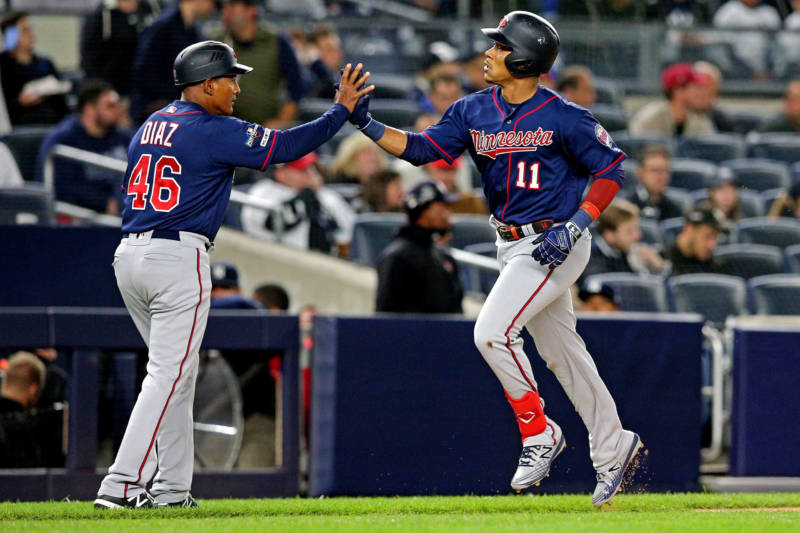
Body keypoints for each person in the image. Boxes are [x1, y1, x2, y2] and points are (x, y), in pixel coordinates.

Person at [349, 11, 642, 507]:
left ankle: (538, 432)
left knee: (490, 332)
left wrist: (578, 224)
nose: (488, 52)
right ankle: (613, 445)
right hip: (512, 243)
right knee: (563, 354)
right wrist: (366, 122)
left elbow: (612, 168)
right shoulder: (473, 110)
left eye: (500, 46)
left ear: (524, 56)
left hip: (555, 240)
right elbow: (422, 150)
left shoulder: (563, 115)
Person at [93, 41, 372, 510]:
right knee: (168, 374)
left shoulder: (152, 123)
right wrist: (339, 112)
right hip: (176, 255)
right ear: (205, 85)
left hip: (131, 254)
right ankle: (121, 483)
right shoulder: (211, 127)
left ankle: (172, 490)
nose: (237, 87)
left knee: (178, 374)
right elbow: (286, 147)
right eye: (230, 78)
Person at [36, 80, 132, 214]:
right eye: (110, 106)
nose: (118, 110)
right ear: (89, 110)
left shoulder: (122, 135)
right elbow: (64, 188)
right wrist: (105, 203)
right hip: (84, 216)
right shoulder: (63, 141)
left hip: (124, 206)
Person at [240, 152, 356, 256]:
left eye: (312, 168)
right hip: (274, 258)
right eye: (303, 170)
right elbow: (274, 223)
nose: (311, 174)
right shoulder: (263, 192)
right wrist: (309, 194)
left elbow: (349, 232)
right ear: (281, 174)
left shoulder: (326, 196)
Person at [213, 0, 306, 128]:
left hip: (265, 127)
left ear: (251, 10)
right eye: (224, 7)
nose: (226, 12)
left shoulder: (276, 41)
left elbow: (297, 89)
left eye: (232, 6)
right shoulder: (216, 42)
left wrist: (279, 123)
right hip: (224, 127)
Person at [375, 181, 463, 314]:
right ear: (426, 211)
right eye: (443, 206)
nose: (448, 213)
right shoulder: (396, 258)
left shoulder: (444, 257)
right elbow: (385, 316)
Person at [129, 0, 216, 124]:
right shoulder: (163, 26)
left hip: (178, 111)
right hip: (153, 114)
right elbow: (142, 72)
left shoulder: (193, 32)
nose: (213, 6)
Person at [0, 11, 68, 126]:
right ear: (10, 35)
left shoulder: (44, 62)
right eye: (24, 30)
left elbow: (61, 103)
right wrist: (20, 102)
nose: (31, 34)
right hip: (20, 124)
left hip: (51, 121)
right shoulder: (4, 66)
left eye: (31, 29)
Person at [80, 0, 156, 98]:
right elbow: (89, 60)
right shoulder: (102, 16)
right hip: (112, 89)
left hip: (145, 89)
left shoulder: (151, 11)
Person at [582, 199, 664, 279]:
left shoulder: (623, 249)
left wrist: (657, 267)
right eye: (629, 231)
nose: (638, 235)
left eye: (636, 228)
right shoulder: (589, 258)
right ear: (609, 235)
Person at [628, 63, 715, 139]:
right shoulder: (650, 118)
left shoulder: (700, 121)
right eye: (695, 87)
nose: (700, 93)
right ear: (678, 91)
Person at [713, 0, 780, 80]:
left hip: (764, 65)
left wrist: (768, 70)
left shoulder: (768, 12)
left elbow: (776, 43)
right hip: (736, 63)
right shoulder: (730, 9)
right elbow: (722, 40)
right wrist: (749, 72)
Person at [623, 144, 685, 221]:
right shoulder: (626, 206)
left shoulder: (675, 209)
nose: (660, 177)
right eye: (654, 170)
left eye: (664, 170)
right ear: (639, 173)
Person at [665, 207, 726, 275]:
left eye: (716, 237)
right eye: (707, 236)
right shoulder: (664, 259)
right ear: (689, 230)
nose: (712, 245)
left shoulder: (714, 265)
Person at [690, 62, 735, 133]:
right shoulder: (678, 117)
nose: (701, 93)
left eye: (707, 88)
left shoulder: (722, 121)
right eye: (697, 87)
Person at [305, 25, 344, 100]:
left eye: (338, 49)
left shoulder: (348, 77)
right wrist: (317, 63)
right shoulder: (309, 80)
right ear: (314, 53)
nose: (337, 54)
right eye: (329, 50)